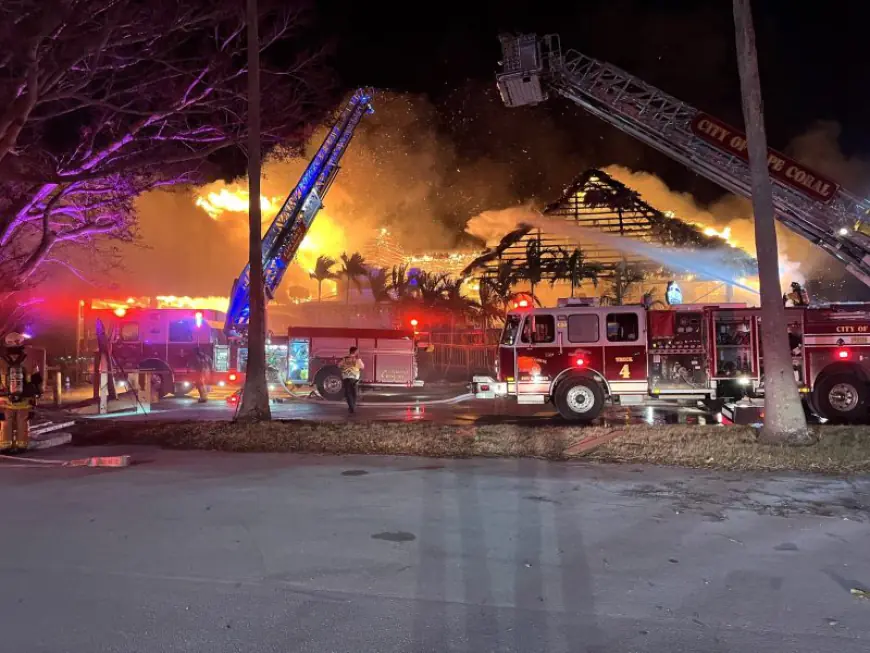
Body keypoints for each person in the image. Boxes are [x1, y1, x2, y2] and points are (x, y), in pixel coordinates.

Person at [339, 346, 364, 413]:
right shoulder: (357, 359)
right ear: (355, 352)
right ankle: (352, 406)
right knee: (354, 393)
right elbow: (362, 367)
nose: (358, 352)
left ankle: (351, 407)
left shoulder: (345, 359)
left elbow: (339, 365)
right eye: (357, 351)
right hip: (354, 378)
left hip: (346, 377)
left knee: (348, 393)